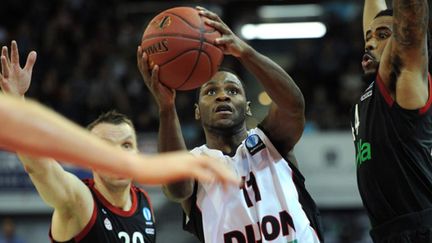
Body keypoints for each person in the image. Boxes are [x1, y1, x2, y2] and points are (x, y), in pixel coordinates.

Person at [0, 41, 239, 243]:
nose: (118, 156)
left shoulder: (143, 202)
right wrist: (17, 102)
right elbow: (40, 167)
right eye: (105, 148)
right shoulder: (80, 201)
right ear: (91, 157)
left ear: (136, 151)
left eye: (126, 146)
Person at [138, 6, 323, 243]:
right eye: (211, 91)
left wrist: (244, 51)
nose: (222, 96)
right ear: (197, 111)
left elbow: (293, 107)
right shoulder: (195, 164)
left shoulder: (271, 142)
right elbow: (176, 189)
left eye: (233, 90)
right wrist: (166, 107)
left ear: (247, 106)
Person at [351, 0, 431, 242]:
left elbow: (410, 24)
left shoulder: (403, 80)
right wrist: (378, 31)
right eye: (367, 37)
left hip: (420, 227)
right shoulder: (376, 88)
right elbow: (377, 19)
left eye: (382, 35)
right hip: (388, 232)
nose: (370, 42)